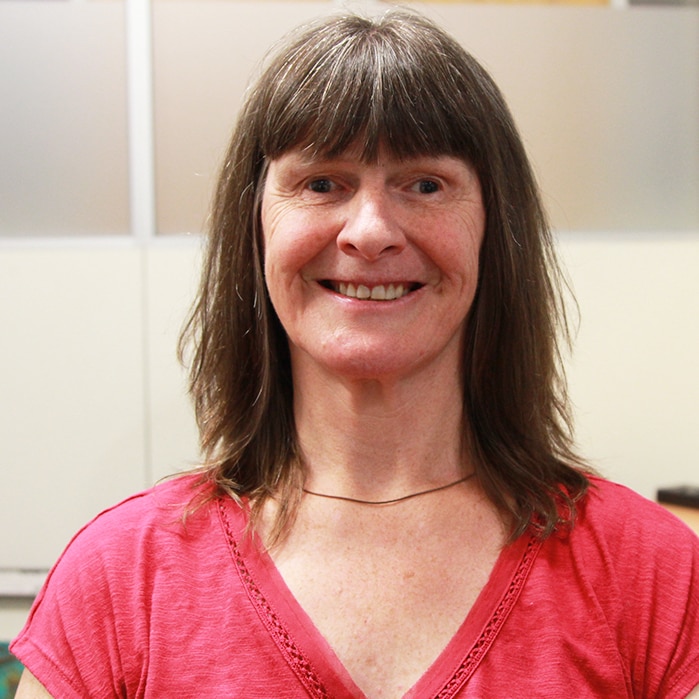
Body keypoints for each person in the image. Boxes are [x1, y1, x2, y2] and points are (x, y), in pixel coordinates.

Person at [11, 9, 699, 698]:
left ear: (495, 228)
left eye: (425, 184)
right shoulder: (116, 582)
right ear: (253, 229)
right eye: (321, 183)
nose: (369, 232)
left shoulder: (655, 578)